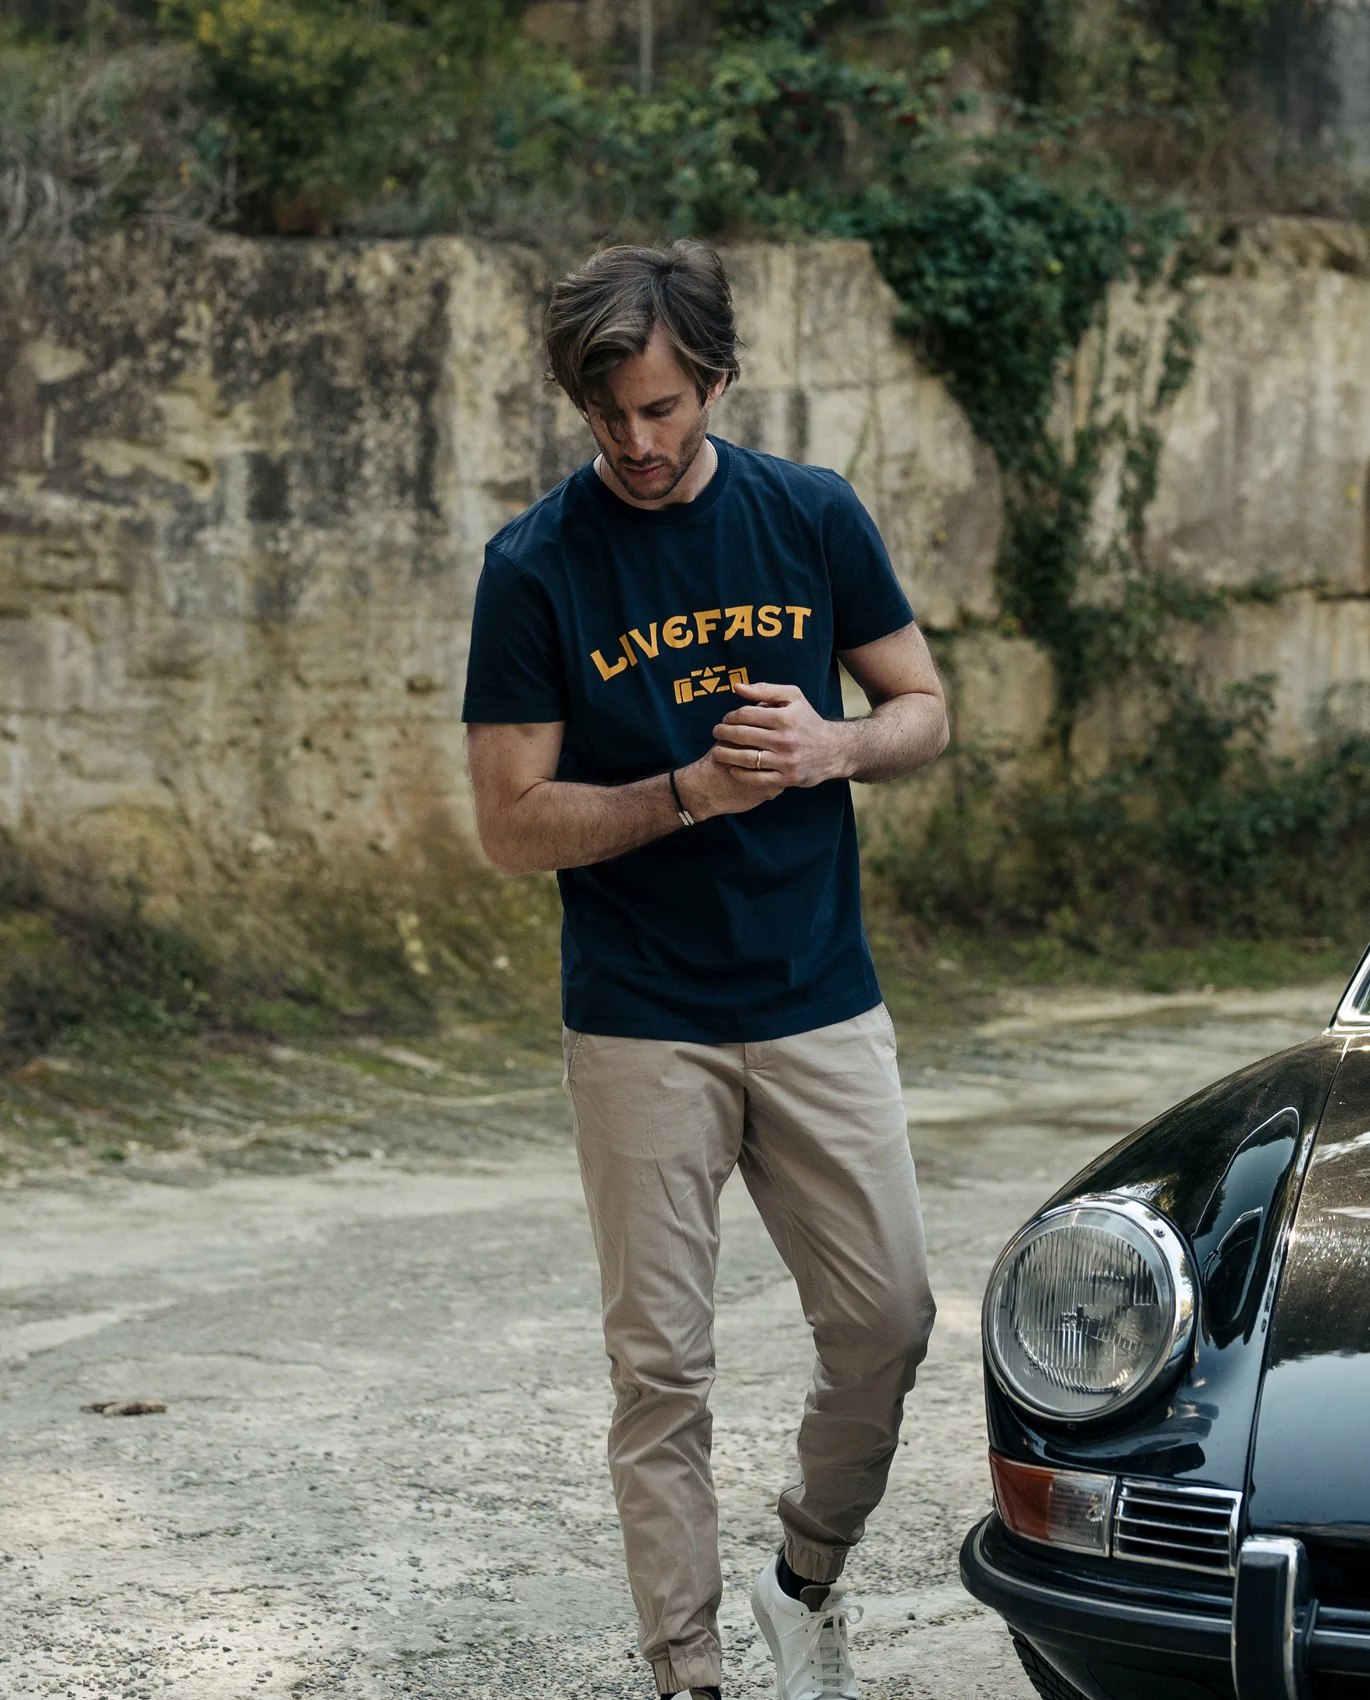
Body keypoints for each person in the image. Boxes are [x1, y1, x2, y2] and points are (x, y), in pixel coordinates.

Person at [462, 241, 946, 1700]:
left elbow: (922, 708)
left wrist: (831, 746)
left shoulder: (811, 515)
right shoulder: (534, 567)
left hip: (817, 995)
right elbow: (508, 825)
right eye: (608, 415)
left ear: (717, 383)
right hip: (640, 1020)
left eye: (663, 408)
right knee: (661, 1371)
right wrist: (687, 793)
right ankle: (687, 1673)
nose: (637, 441)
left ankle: (804, 1576)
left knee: (889, 1322)